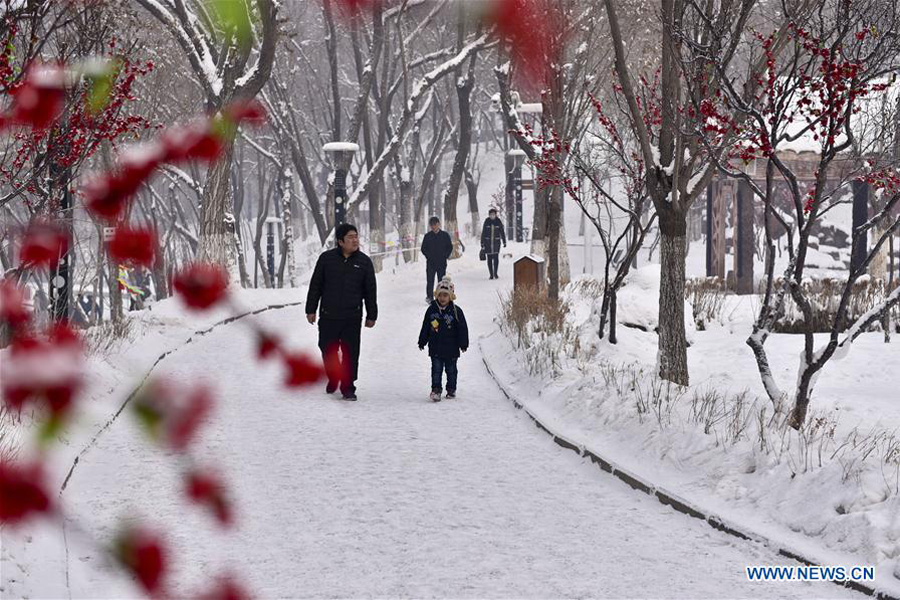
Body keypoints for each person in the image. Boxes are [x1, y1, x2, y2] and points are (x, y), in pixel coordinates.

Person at [306, 223, 377, 401]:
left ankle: (348, 387)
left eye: (356, 236)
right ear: (340, 241)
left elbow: (370, 290)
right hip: (328, 315)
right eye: (350, 237)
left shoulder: (364, 262)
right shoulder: (326, 259)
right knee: (326, 348)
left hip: (352, 316)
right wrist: (311, 309)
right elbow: (316, 285)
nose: (355, 240)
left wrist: (372, 314)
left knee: (351, 353)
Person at [417, 276, 469, 402]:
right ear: (436, 296)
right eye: (440, 295)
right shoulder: (431, 310)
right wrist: (422, 341)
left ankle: (451, 389)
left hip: (451, 348)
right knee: (436, 370)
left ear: (450, 296)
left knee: (451, 370)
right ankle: (436, 390)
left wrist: (463, 344)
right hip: (435, 347)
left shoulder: (456, 312)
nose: (442, 298)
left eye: (445, 295)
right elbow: (426, 326)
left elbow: (462, 328)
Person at [420, 216, 453, 304]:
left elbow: (449, 247)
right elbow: (423, 248)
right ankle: (430, 297)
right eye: (432, 225)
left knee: (441, 281)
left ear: (438, 224)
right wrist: (428, 256)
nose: (433, 227)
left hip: (441, 262)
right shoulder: (427, 236)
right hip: (431, 263)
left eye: (435, 224)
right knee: (430, 280)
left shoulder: (445, 235)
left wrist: (445, 256)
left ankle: (441, 297)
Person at [481, 207, 506, 279]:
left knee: (496, 258)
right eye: (491, 214)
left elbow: (502, 232)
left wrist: (504, 241)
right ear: (489, 215)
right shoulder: (487, 221)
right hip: (488, 243)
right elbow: (484, 232)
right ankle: (491, 274)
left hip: (496, 243)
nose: (492, 216)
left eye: (493, 214)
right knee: (489, 259)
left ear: (495, 215)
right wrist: (482, 242)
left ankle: (495, 273)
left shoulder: (498, 221)